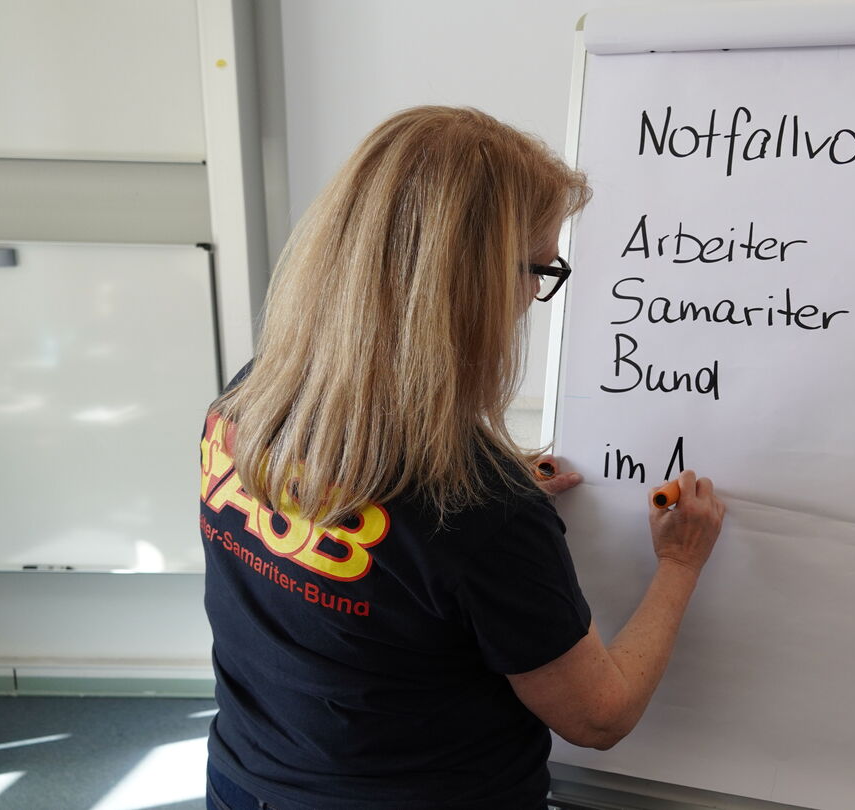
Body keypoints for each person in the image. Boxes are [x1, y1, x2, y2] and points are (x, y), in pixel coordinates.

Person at [199, 106, 726, 810]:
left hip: (246, 780)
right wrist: (680, 563)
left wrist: (462, 535)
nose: (537, 293)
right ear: (472, 284)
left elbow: (351, 547)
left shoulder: (252, 397)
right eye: (540, 268)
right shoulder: (481, 511)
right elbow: (599, 717)